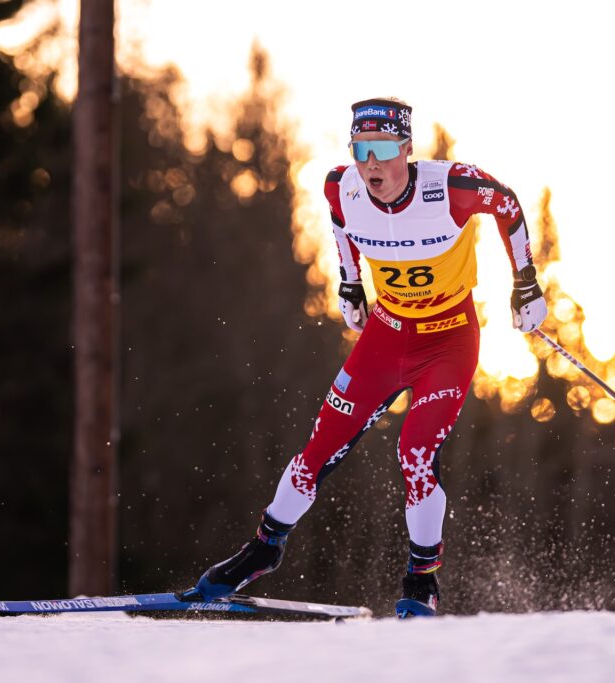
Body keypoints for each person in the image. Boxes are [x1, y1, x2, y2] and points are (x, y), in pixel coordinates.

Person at [184, 97, 548, 617]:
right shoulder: (342, 185)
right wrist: (351, 285)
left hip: (448, 341)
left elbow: (508, 205)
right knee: (319, 446)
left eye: (381, 149)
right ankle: (264, 548)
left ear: (406, 148)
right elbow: (338, 222)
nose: (370, 163)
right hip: (387, 335)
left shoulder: (452, 187)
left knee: (415, 450)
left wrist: (526, 284)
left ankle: (422, 579)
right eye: (360, 149)